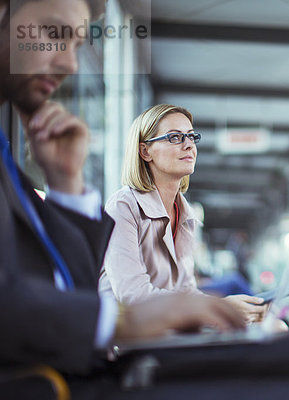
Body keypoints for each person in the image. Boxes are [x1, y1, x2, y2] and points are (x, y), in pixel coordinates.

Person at [0, 0, 246, 392]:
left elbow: (70, 284)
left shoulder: (6, 160)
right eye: (53, 33)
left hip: (71, 367)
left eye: (77, 45)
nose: (70, 65)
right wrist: (119, 320)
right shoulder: (123, 205)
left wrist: (66, 184)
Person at [98, 104, 266, 324]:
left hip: (171, 333)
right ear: (145, 151)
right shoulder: (123, 207)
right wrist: (218, 306)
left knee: (274, 328)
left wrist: (228, 311)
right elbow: (133, 297)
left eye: (191, 136)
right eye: (175, 138)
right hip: (132, 341)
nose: (189, 145)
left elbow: (186, 291)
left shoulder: (185, 214)